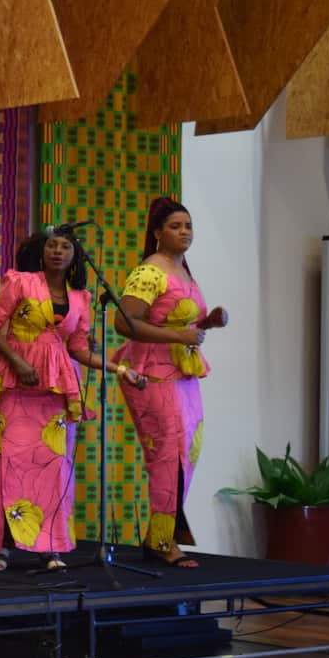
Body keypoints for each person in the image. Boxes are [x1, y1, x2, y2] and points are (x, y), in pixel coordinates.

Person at [0, 230, 147, 572]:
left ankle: (48, 547)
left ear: (75, 257)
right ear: (41, 251)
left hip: (55, 393)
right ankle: (5, 546)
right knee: (9, 464)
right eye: (52, 245)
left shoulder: (81, 298)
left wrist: (120, 368)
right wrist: (19, 363)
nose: (57, 250)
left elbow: (78, 349)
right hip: (16, 385)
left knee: (53, 469)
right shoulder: (19, 282)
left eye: (66, 247)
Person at [113, 198, 227, 567]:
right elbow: (124, 323)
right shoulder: (150, 271)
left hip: (184, 372)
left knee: (188, 452)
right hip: (151, 372)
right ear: (157, 232)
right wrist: (179, 338)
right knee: (168, 454)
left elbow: (179, 324)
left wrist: (207, 322)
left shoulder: (184, 271)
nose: (184, 232)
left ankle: (159, 535)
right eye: (176, 226)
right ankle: (163, 542)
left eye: (188, 226)